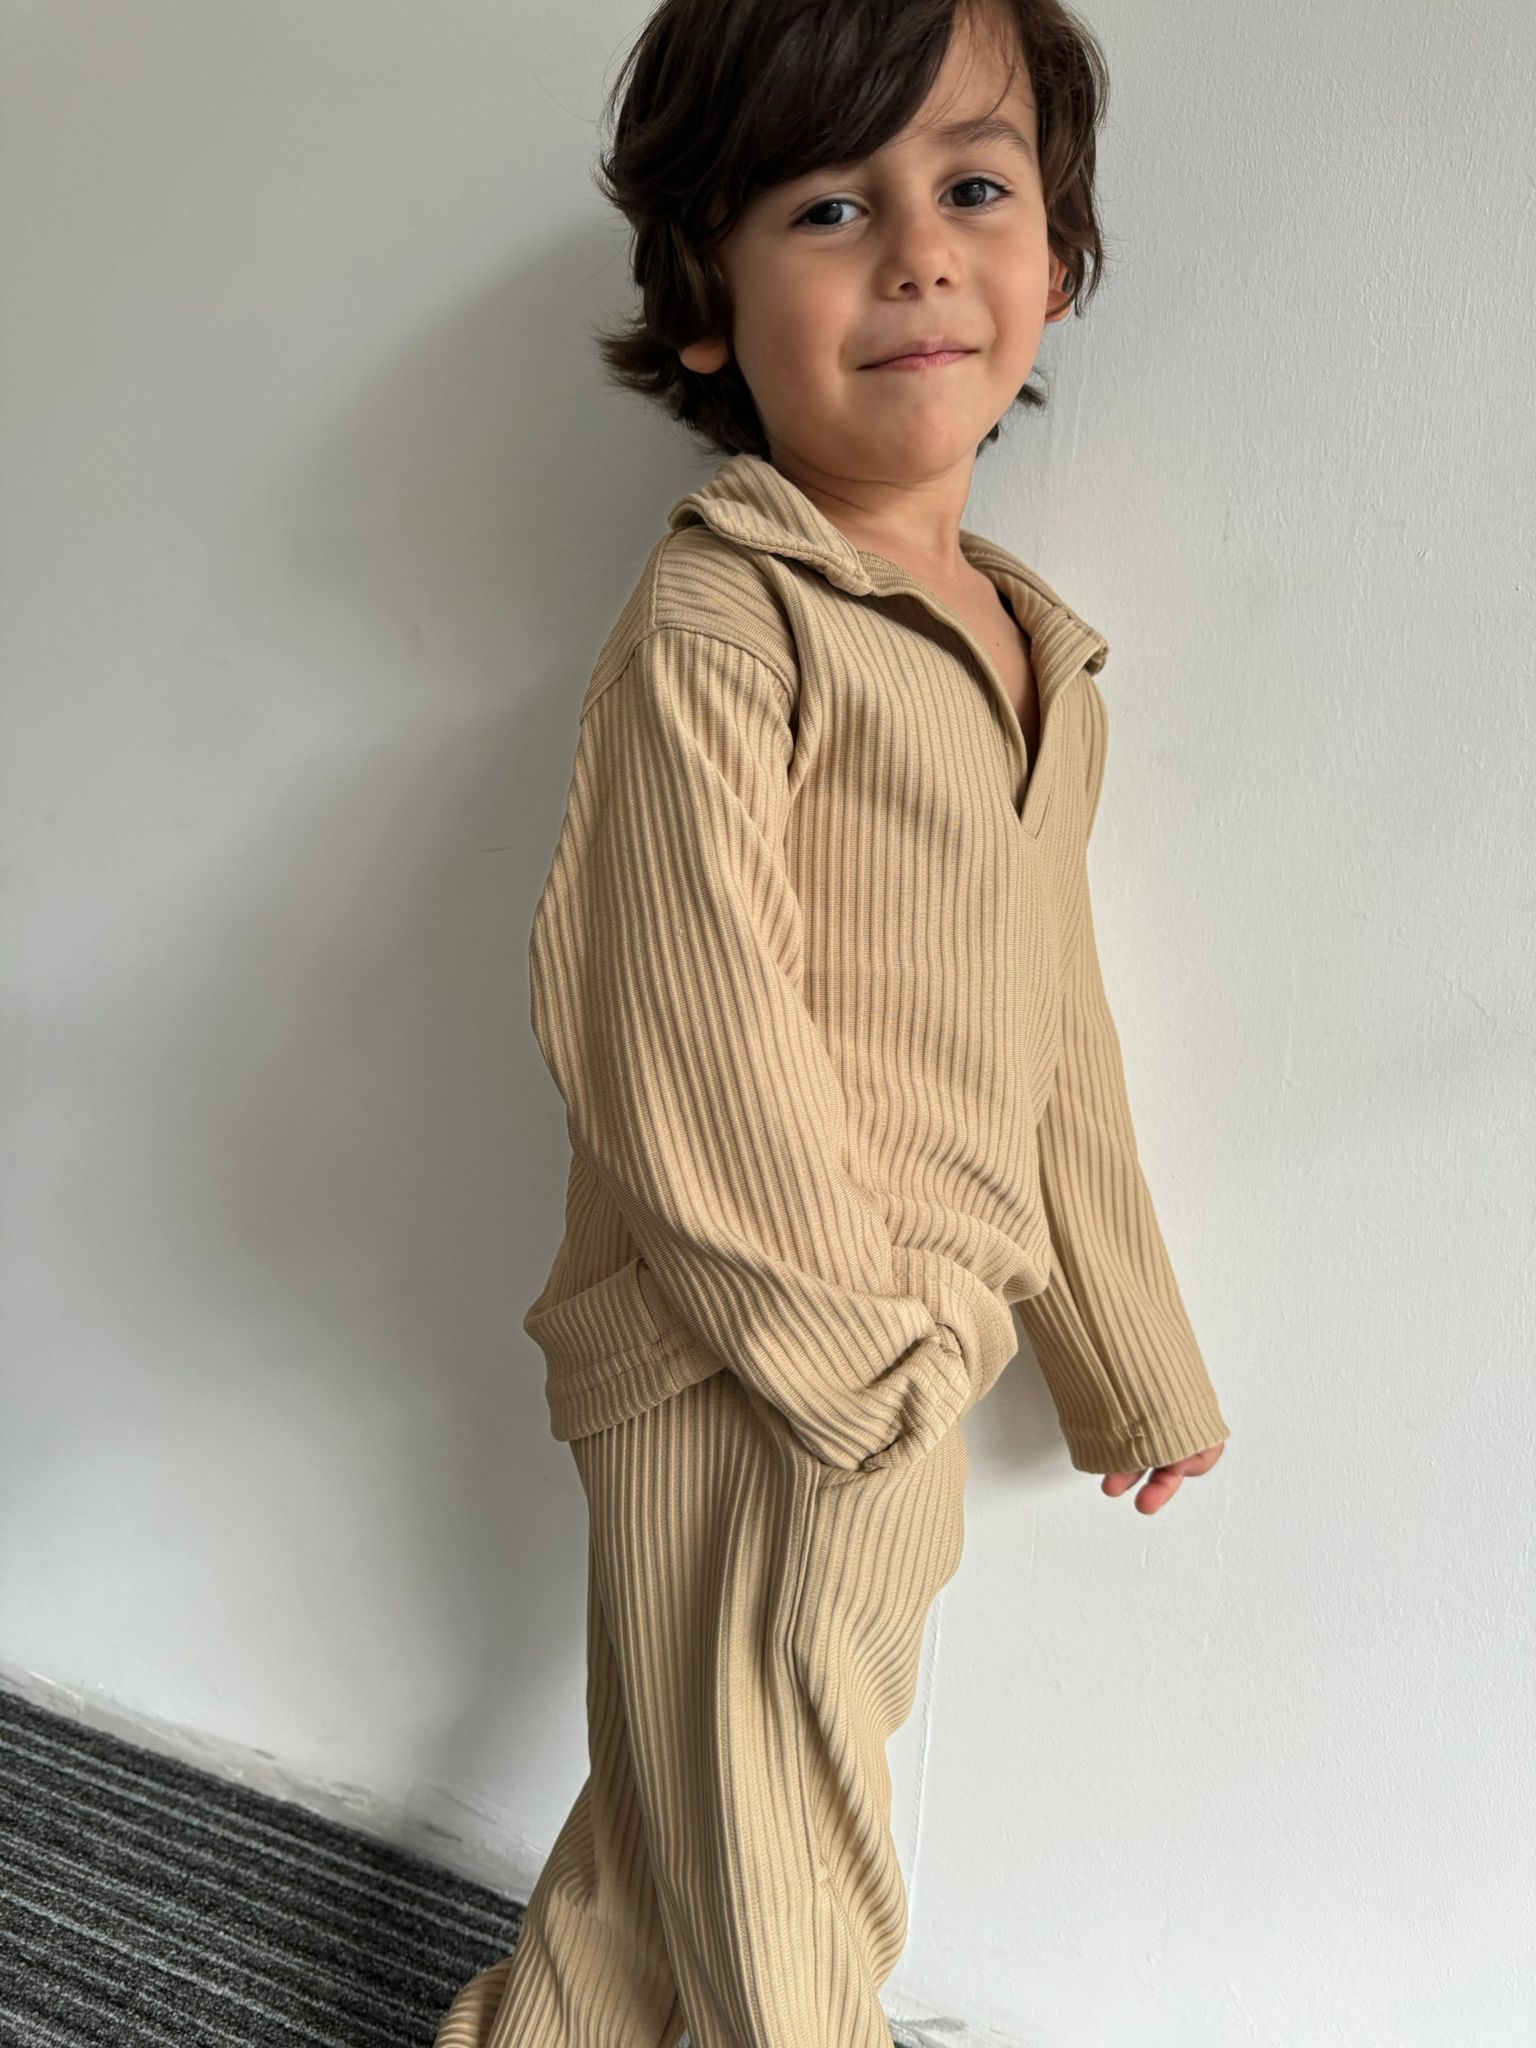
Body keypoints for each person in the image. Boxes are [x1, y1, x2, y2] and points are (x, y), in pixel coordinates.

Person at [433, 0, 1232, 2040]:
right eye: (828, 208)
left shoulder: (1041, 665)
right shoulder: (730, 614)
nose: (918, 255)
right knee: (786, 1857)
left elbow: (1056, 1044)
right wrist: (852, 1367)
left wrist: (1126, 1353)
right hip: (755, 1356)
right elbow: (666, 1003)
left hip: (894, 1360)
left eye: (975, 187)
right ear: (707, 307)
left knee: (676, 1843)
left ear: (1059, 261)